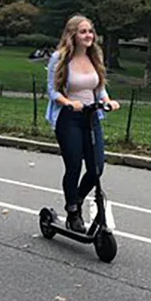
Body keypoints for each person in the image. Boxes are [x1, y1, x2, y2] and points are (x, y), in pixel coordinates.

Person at [45, 15, 120, 233]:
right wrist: (68, 102)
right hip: (69, 119)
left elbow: (99, 87)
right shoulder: (60, 58)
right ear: (73, 35)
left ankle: (75, 200)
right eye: (83, 32)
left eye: (90, 31)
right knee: (74, 166)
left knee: (96, 168)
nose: (88, 35)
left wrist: (106, 100)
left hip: (92, 117)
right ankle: (72, 212)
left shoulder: (94, 56)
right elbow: (52, 90)